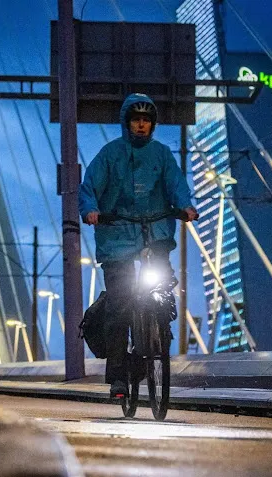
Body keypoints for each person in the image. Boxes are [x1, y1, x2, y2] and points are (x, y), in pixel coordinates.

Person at [78, 93, 198, 398]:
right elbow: (89, 185)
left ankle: (159, 334)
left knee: (162, 286)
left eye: (146, 120)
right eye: (136, 120)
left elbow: (175, 183)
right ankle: (118, 376)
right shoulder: (110, 154)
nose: (141, 125)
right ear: (127, 123)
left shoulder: (161, 155)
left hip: (154, 232)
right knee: (119, 304)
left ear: (153, 125)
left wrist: (185, 206)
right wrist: (91, 210)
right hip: (116, 236)